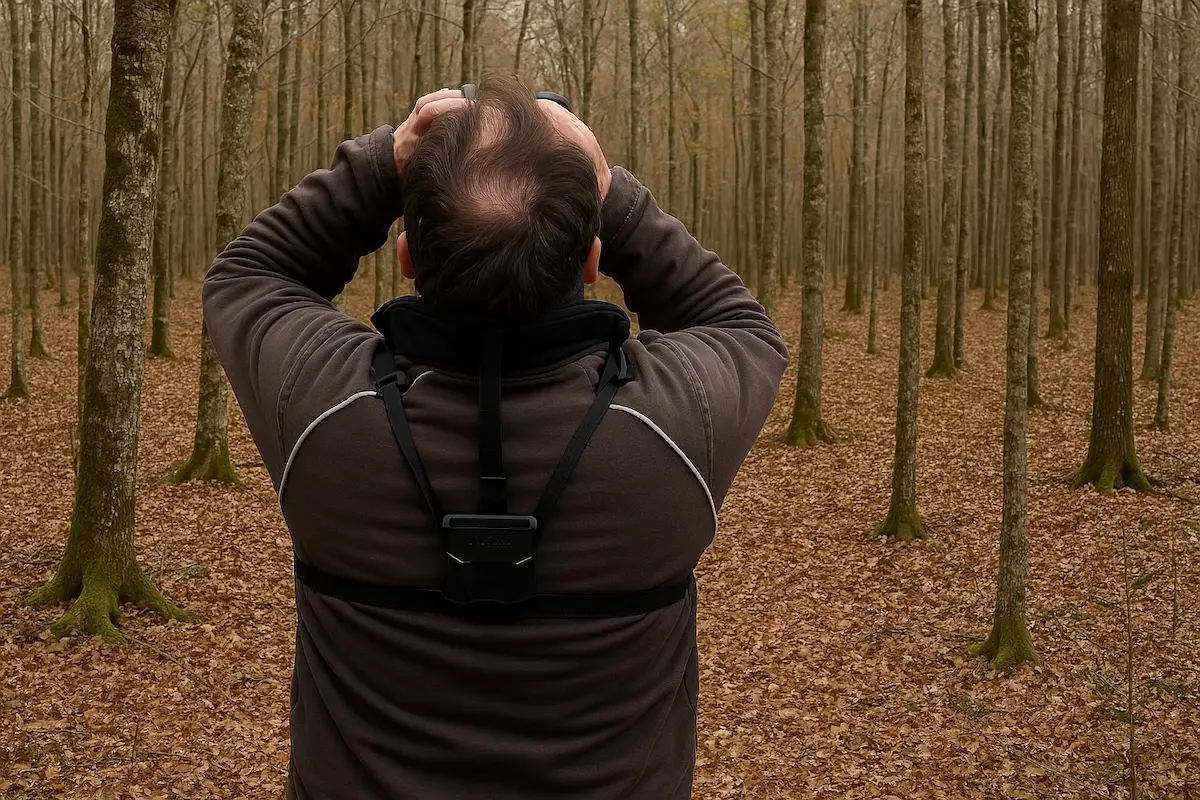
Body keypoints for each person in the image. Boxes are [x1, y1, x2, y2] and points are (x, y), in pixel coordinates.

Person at [204, 77, 788, 800]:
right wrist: (609, 187)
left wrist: (386, 160)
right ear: (592, 261)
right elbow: (739, 326)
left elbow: (250, 275)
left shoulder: (327, 414)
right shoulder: (670, 429)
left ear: (408, 256)